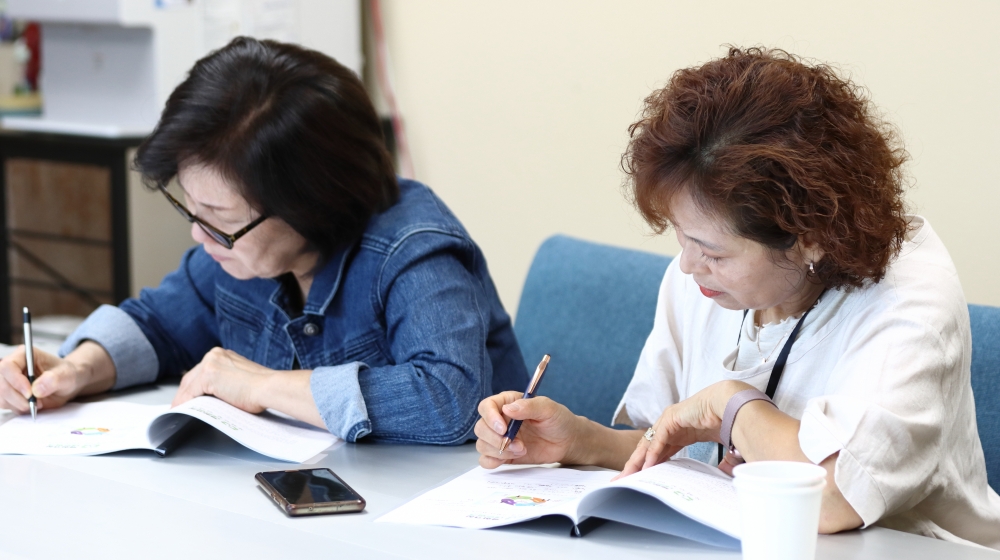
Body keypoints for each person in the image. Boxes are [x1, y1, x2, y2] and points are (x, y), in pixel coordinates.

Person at [474, 47, 1000, 548]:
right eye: (682, 236)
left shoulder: (908, 302)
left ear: (811, 236)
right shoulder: (702, 279)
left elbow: (832, 497)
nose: (688, 265)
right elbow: (672, 446)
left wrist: (732, 405)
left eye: (712, 251)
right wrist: (578, 441)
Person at [0, 37, 527, 445]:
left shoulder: (413, 252)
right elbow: (157, 323)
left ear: (309, 205)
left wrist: (260, 386)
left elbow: (450, 398)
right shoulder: (238, 254)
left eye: (218, 218)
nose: (198, 233)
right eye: (191, 208)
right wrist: (76, 369)